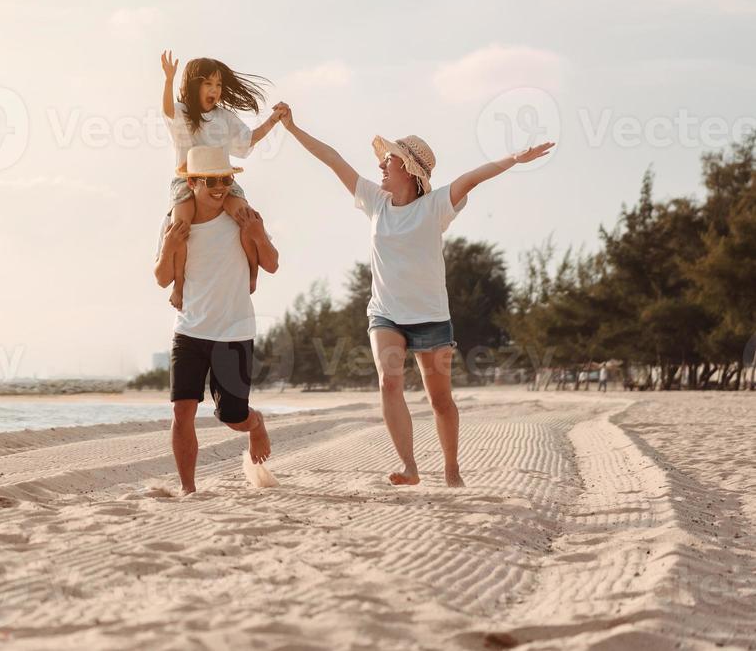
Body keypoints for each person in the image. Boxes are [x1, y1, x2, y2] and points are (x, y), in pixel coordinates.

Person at [278, 105, 552, 487]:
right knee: (388, 381)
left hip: (430, 317)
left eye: (388, 160)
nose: (381, 167)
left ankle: (452, 469)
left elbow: (472, 178)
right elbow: (332, 159)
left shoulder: (436, 205)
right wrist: (293, 127)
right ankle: (409, 466)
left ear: (408, 168)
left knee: (440, 399)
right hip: (385, 313)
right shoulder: (375, 202)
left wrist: (515, 158)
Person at [152, 145, 281, 495]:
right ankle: (188, 489)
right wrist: (166, 249)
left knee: (232, 417)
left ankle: (255, 425)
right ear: (192, 182)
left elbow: (271, 263)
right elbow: (162, 278)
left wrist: (257, 236)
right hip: (189, 329)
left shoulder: (244, 217)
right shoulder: (174, 222)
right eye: (209, 181)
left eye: (224, 179)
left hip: (234, 330)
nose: (219, 187)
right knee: (182, 412)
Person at [157, 53, 286, 308]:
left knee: (245, 218)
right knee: (180, 226)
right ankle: (180, 286)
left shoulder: (224, 117)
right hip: (188, 179)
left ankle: (252, 273)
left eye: (218, 85)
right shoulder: (184, 112)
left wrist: (273, 120)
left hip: (224, 178)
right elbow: (168, 111)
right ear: (194, 86)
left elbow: (247, 140)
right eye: (208, 84)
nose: (214, 90)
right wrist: (168, 80)